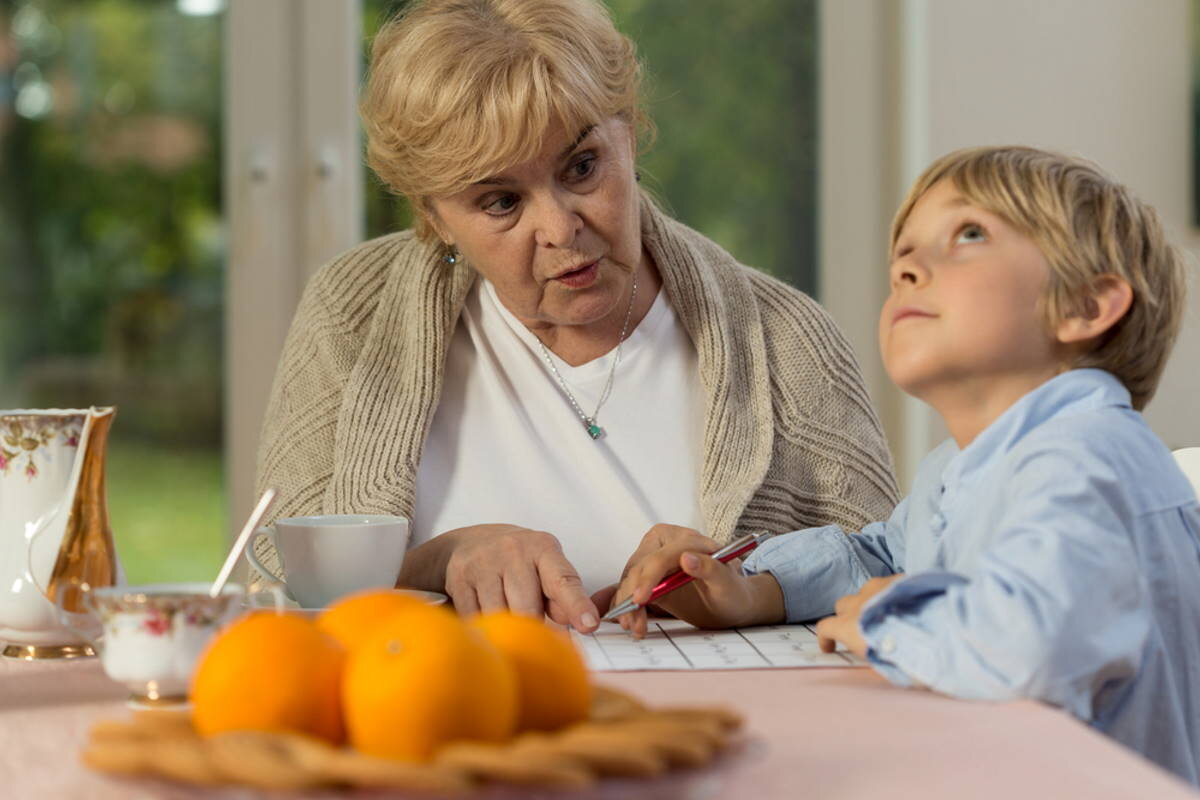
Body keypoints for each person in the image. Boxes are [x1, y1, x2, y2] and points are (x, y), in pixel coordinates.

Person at [253, 0, 897, 632]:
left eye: (582, 167)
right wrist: (438, 562)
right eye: (501, 202)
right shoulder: (353, 313)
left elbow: (891, 583)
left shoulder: (786, 339)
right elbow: (275, 585)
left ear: (630, 130)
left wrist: (748, 585)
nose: (561, 227)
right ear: (434, 217)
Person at [611, 146, 1200, 783]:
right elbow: (884, 558)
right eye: (903, 251)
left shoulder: (1085, 458)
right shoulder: (963, 466)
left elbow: (1032, 643)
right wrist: (750, 588)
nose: (907, 268)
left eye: (968, 234)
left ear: (1085, 306)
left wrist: (891, 618)